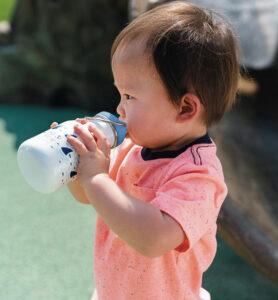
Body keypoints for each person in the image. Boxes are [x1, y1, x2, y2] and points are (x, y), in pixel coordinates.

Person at [59, 2, 239, 299]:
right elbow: (89, 197)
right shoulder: (131, 148)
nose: (119, 108)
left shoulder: (199, 176)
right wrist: (77, 165)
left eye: (129, 96)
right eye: (119, 93)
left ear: (185, 108)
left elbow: (154, 238)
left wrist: (95, 179)